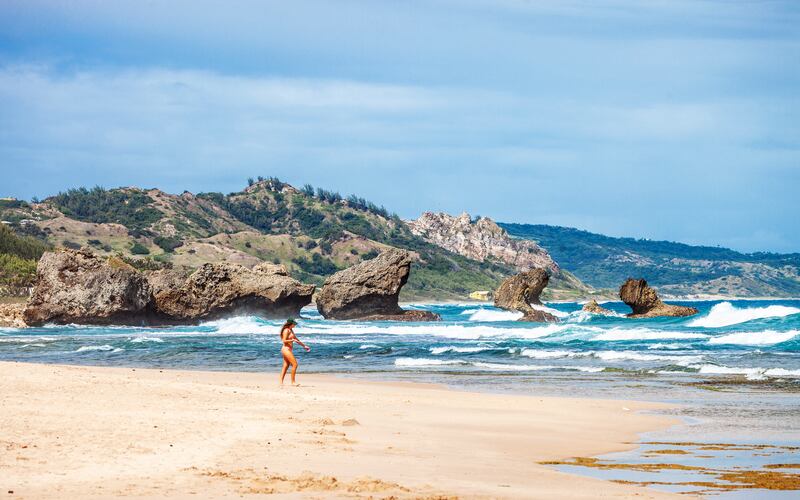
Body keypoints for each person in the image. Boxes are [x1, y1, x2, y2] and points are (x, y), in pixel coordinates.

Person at [279, 318, 310, 385]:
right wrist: (292, 340)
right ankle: (293, 382)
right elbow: (284, 341)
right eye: (294, 324)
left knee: (286, 365)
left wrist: (304, 346)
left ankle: (281, 382)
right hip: (286, 349)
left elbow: (296, 339)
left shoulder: (291, 330)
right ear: (290, 324)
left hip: (288, 349)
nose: (295, 325)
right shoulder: (286, 330)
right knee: (295, 364)